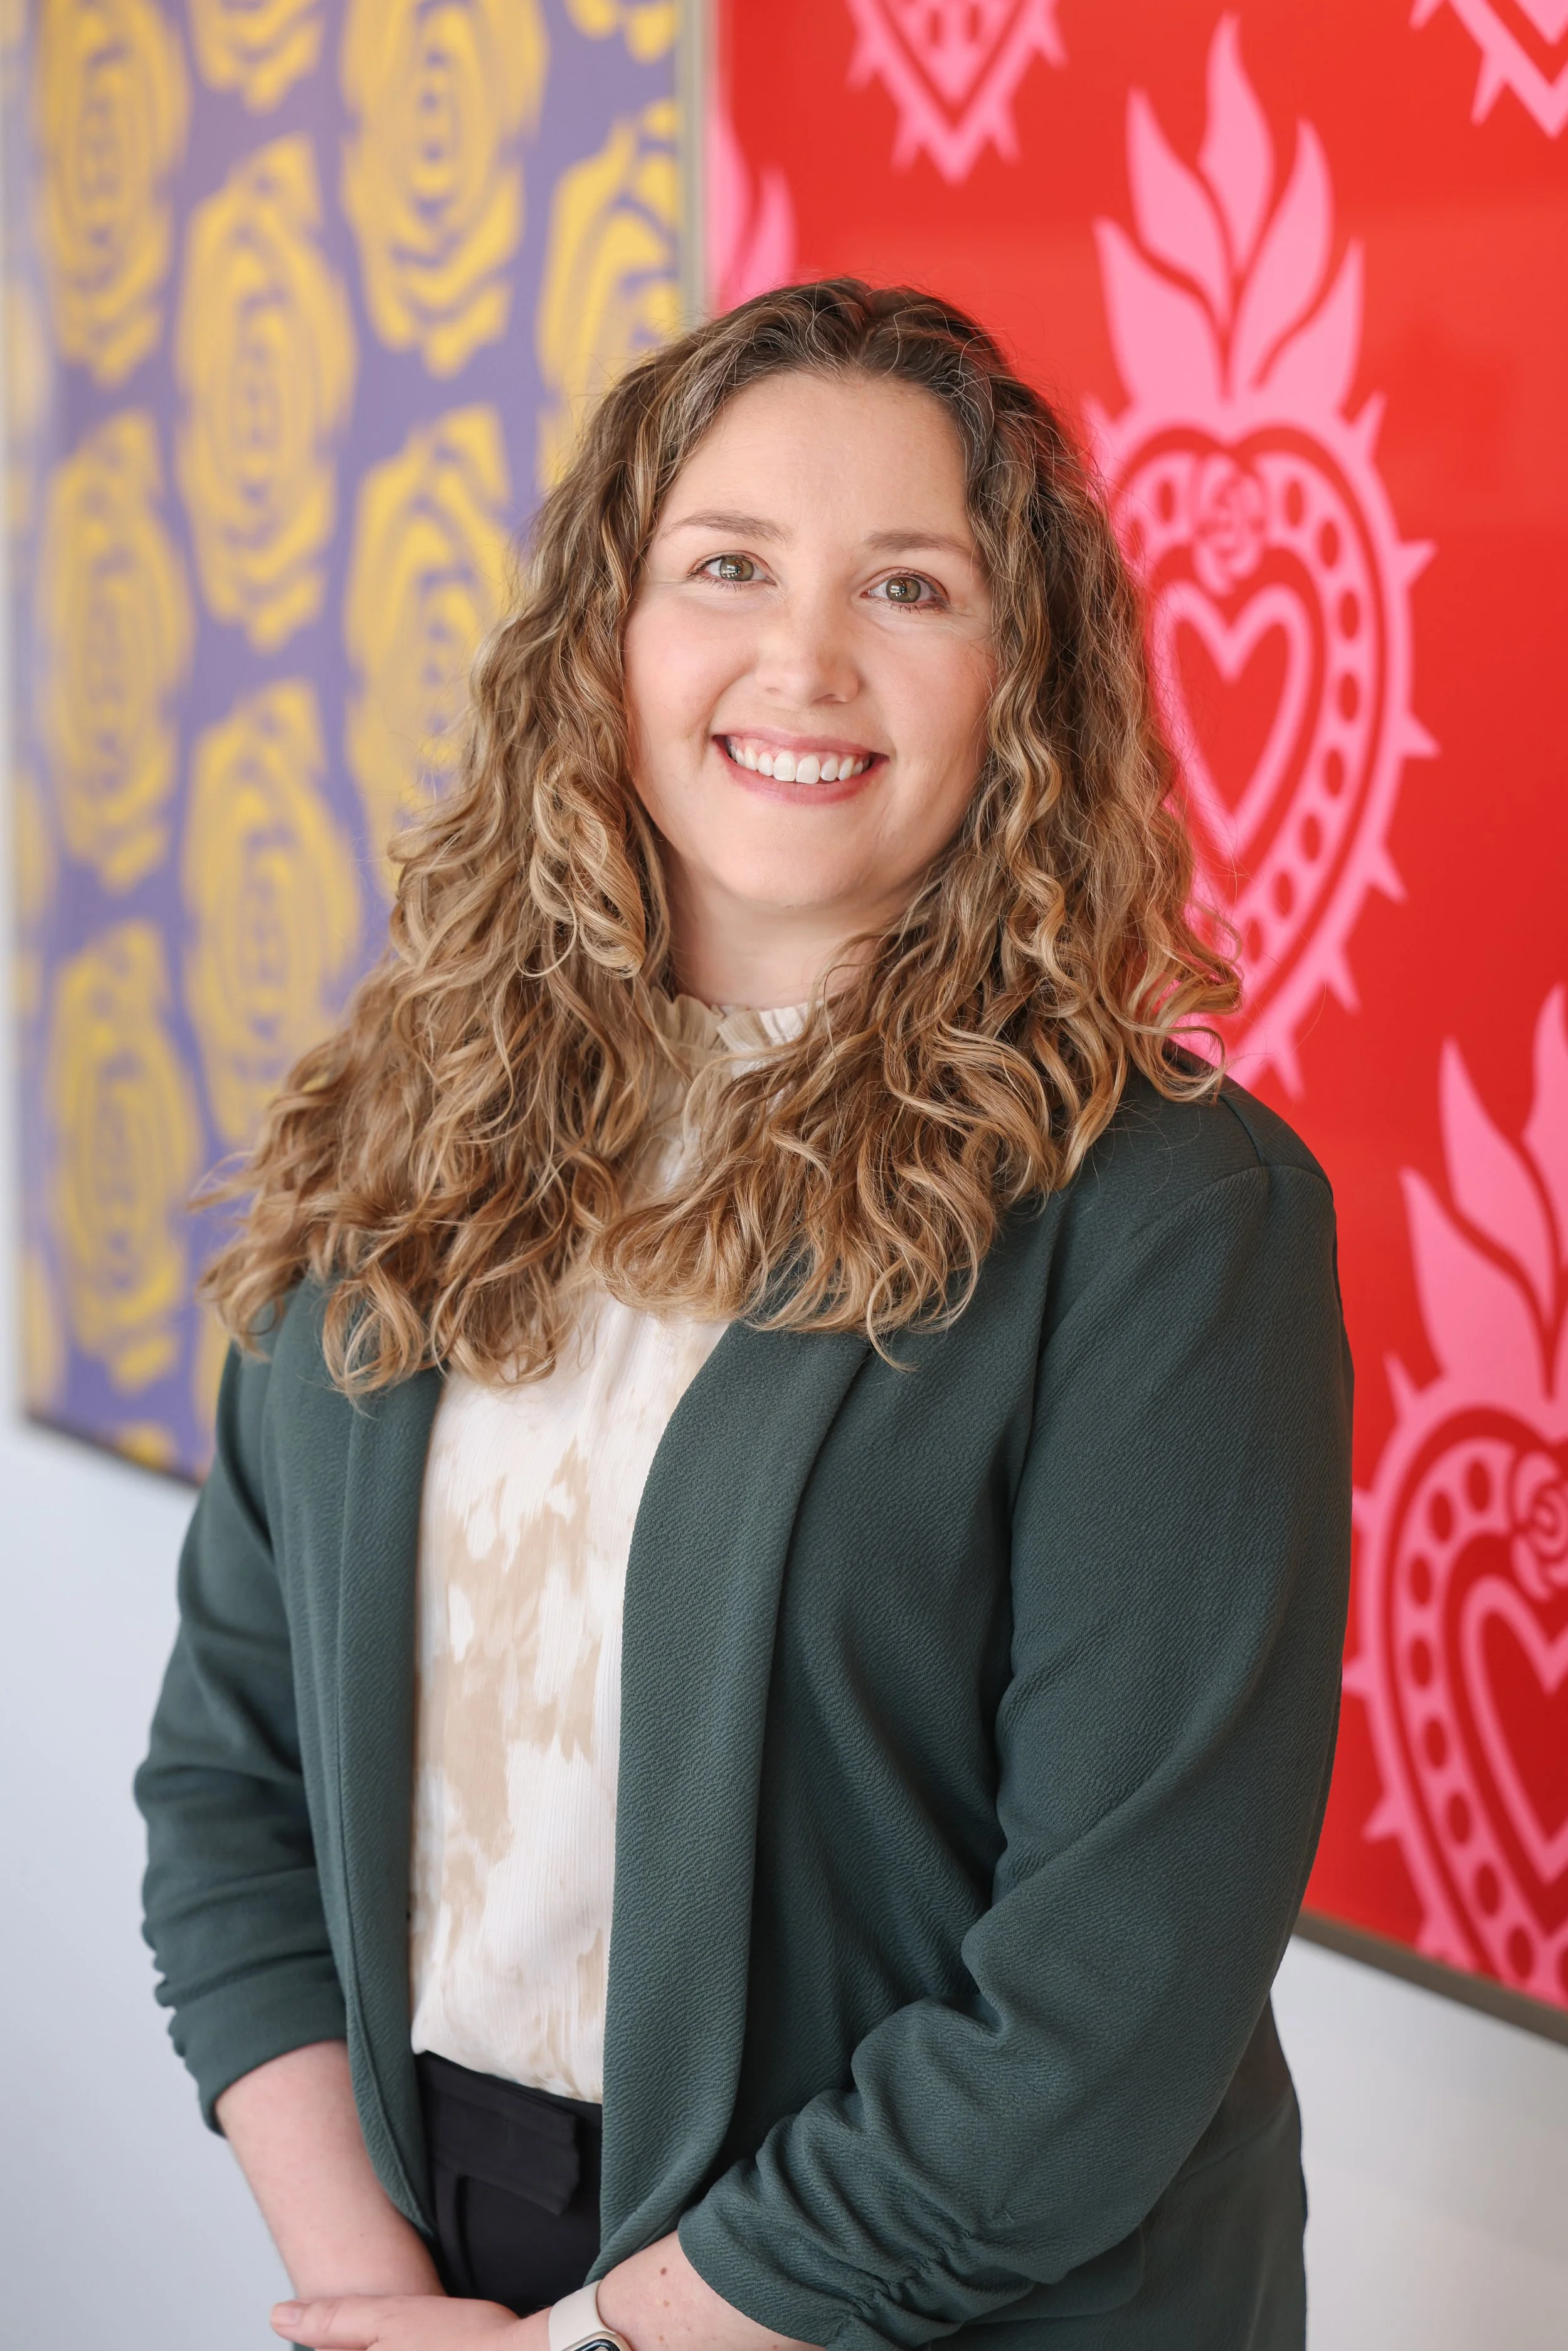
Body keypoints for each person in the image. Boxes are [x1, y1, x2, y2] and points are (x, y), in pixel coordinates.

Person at [135, 280, 1352, 2351]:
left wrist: (611, 2344)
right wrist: (370, 2287)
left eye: (908, 583)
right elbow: (231, 1784)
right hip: (443, 2258)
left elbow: (1106, 1987)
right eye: (726, 565)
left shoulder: (1165, 1215)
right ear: (605, 635)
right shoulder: (402, 1130)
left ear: (1017, 680)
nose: (804, 658)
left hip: (940, 2304)